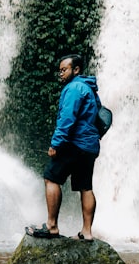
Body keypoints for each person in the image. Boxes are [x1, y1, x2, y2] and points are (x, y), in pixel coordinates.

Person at [25, 54, 101, 241]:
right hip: (89, 146)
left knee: (51, 178)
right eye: (59, 70)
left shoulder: (74, 88)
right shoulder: (90, 89)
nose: (61, 73)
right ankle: (87, 232)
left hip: (73, 143)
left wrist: (56, 144)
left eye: (64, 69)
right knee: (85, 187)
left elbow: (68, 118)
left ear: (76, 70)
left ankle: (51, 226)